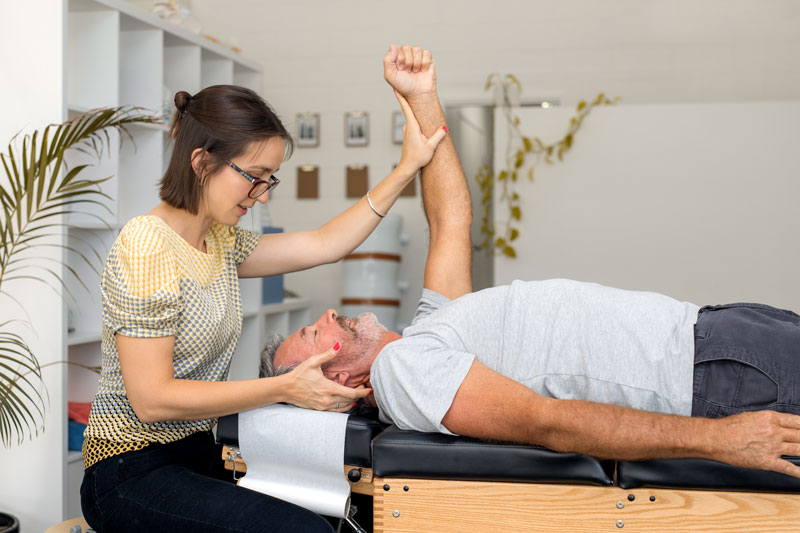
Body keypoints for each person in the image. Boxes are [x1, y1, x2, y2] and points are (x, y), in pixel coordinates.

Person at [263, 45, 800, 481]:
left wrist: (423, 99)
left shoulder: (425, 338)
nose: (326, 315)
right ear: (335, 381)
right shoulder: (402, 373)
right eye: (312, 333)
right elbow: (549, 423)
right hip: (712, 379)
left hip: (717, 335)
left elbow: (450, 222)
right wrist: (720, 438)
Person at [80, 51, 448, 531]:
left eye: (268, 179)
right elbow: (152, 399)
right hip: (129, 470)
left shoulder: (219, 241)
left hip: (197, 452)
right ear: (201, 162)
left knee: (342, 516)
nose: (264, 194)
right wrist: (285, 387)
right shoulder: (147, 246)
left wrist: (406, 167)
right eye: (254, 177)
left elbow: (325, 244)